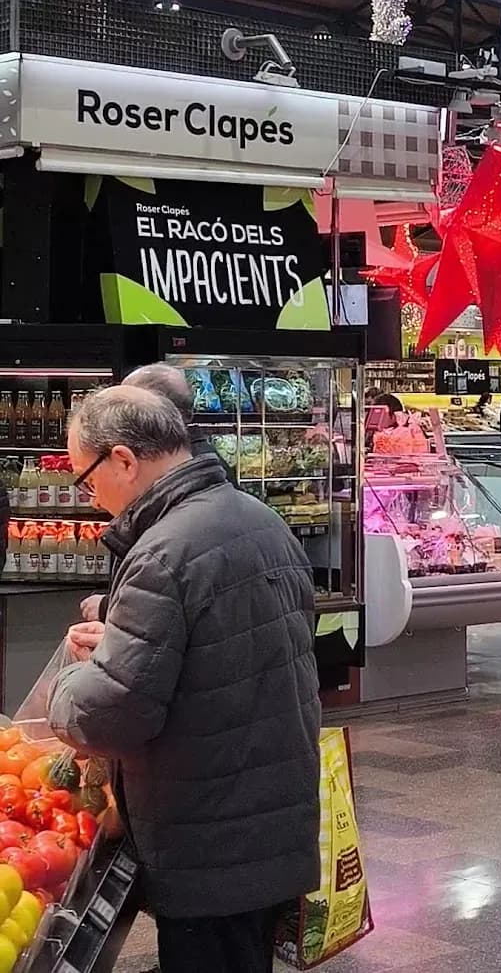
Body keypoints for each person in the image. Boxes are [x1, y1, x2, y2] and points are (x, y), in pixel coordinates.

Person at [47, 385, 321, 973]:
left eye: (86, 478)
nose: (91, 498)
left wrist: (67, 687)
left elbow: (111, 712)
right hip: (266, 808)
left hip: (207, 829)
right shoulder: (257, 518)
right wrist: (124, 624)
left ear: (123, 458)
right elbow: (232, 640)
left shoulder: (165, 550)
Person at [81, 362, 233, 624]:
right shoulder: (210, 475)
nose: (95, 501)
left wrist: (111, 612)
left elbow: (170, 605)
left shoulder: (167, 537)